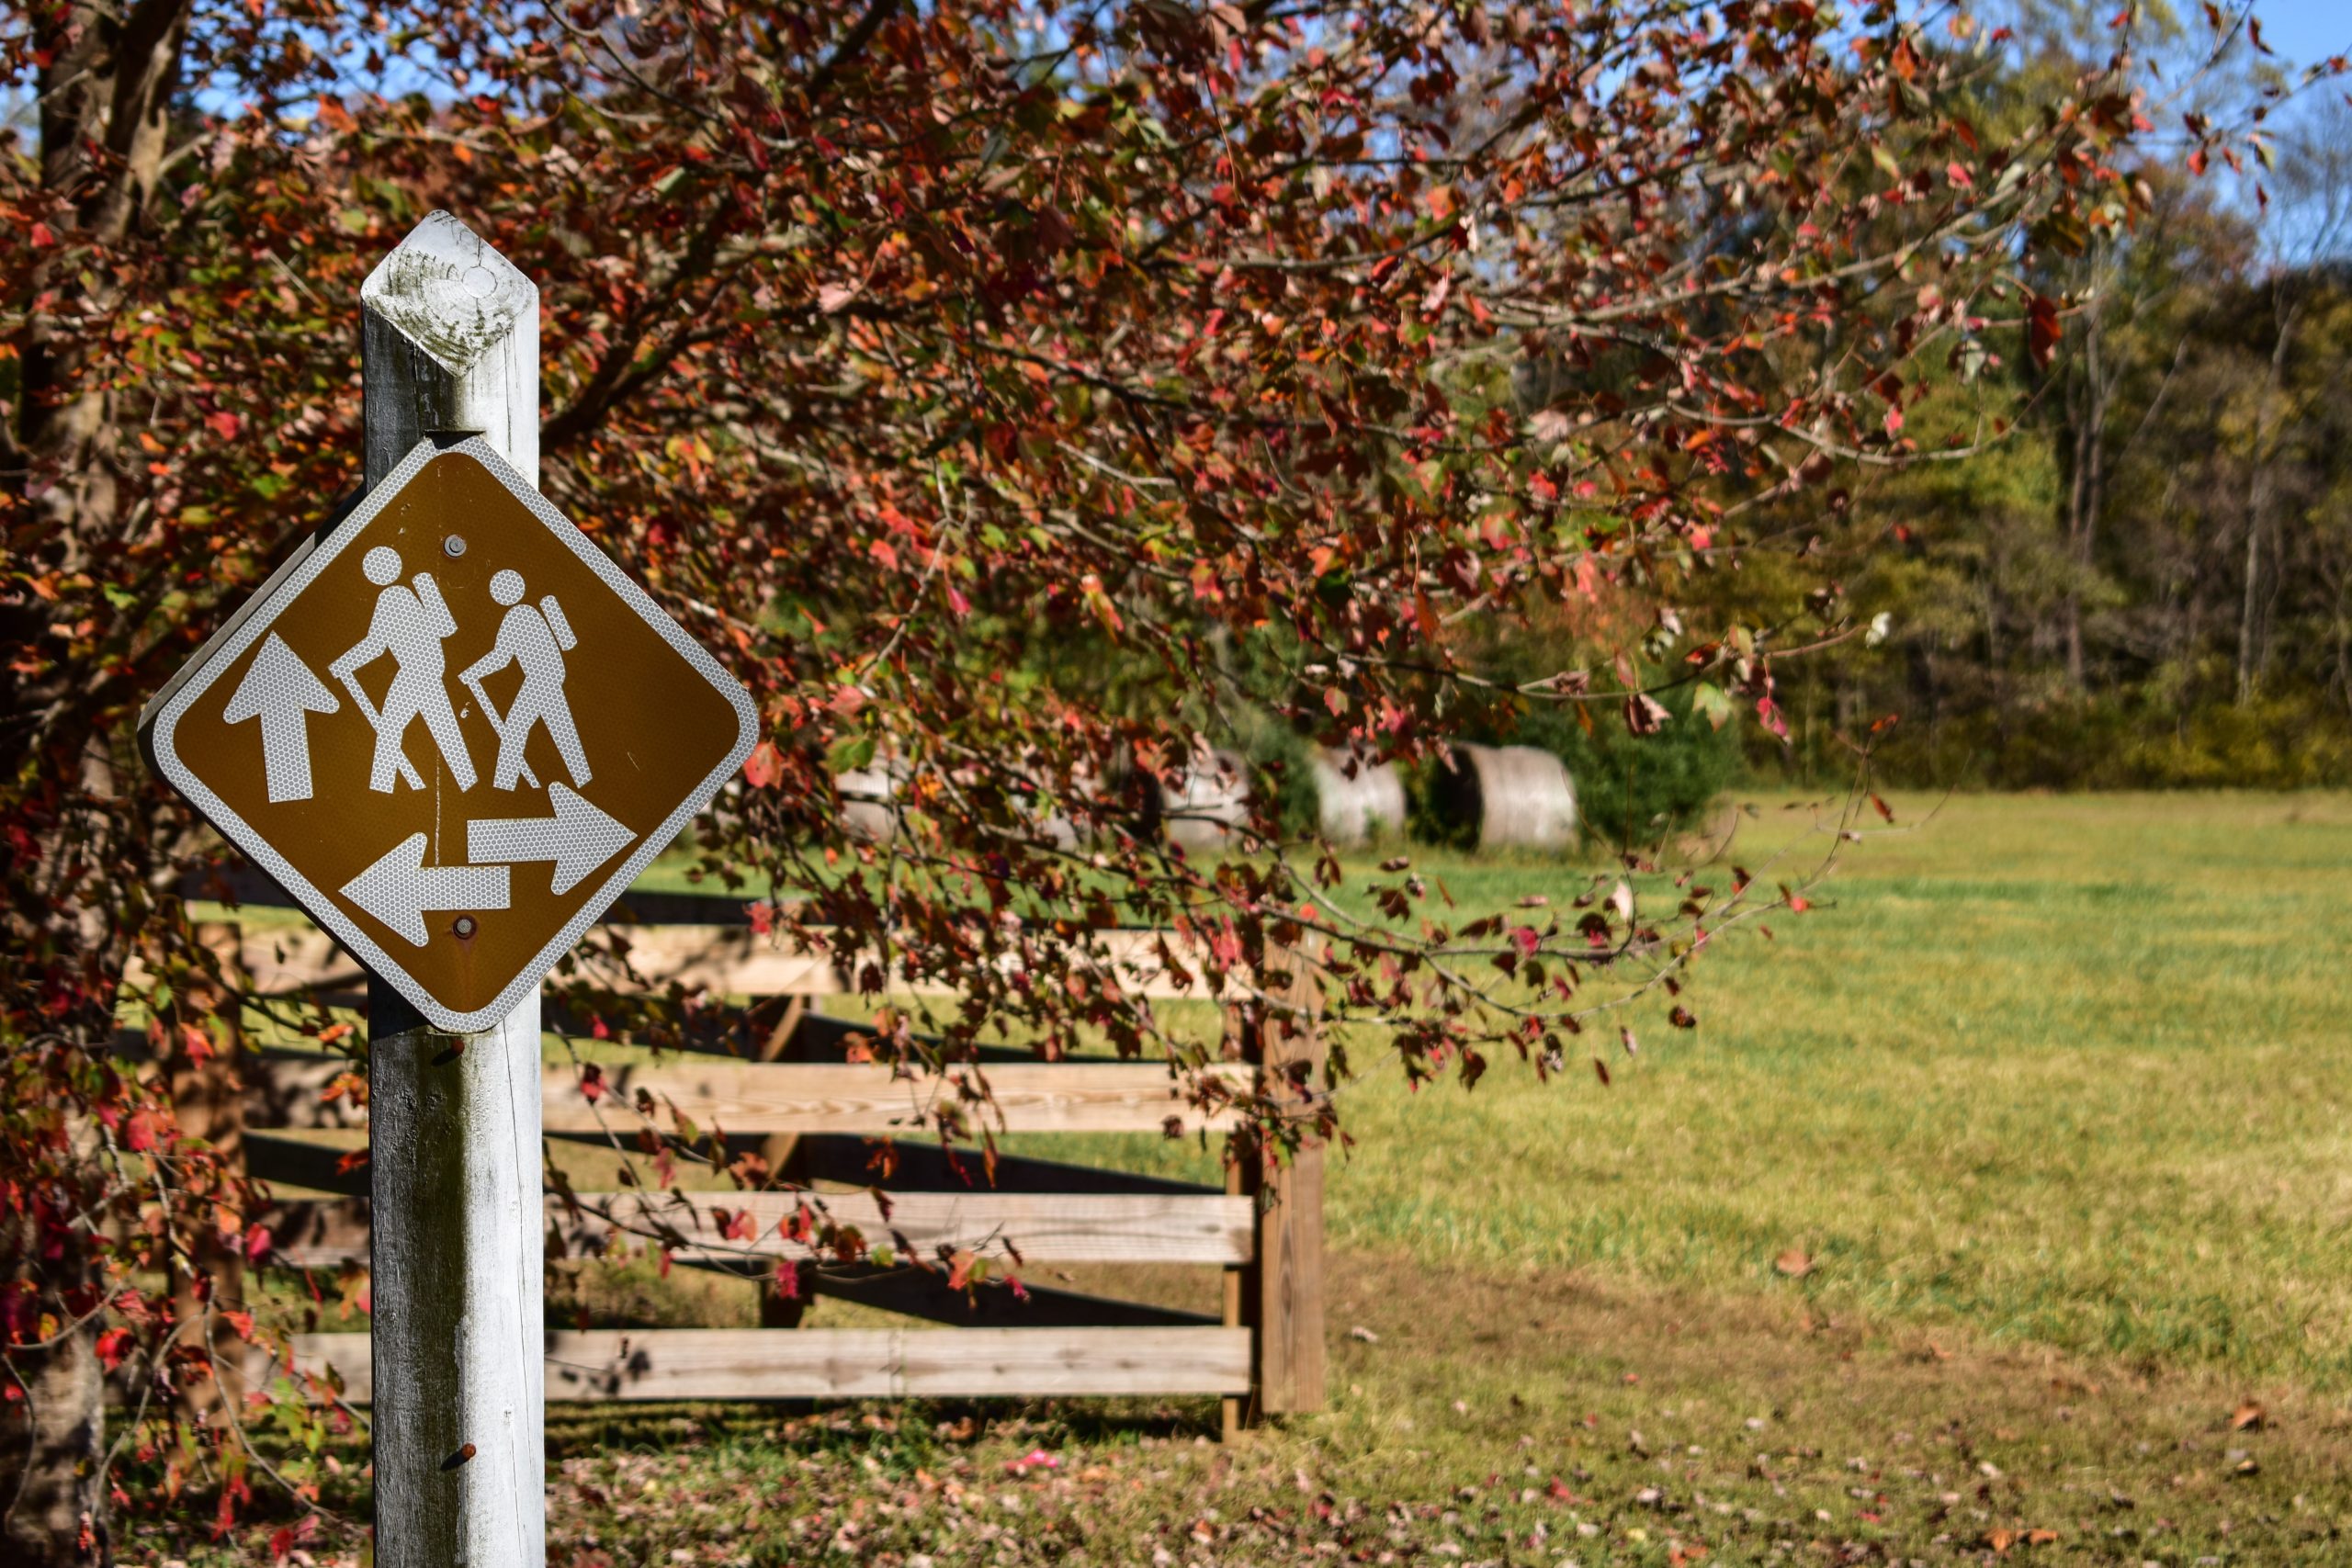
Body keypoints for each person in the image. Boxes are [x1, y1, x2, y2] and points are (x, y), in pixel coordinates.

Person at [330, 546, 476, 793]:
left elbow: (376, 645)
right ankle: (467, 782)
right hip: (429, 669)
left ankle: (381, 789)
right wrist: (344, 663)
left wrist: (343, 663)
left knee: (391, 727)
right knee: (443, 727)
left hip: (416, 672)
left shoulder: (391, 598)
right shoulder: (407, 594)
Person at [459, 568, 590, 792]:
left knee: (516, 727)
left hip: (541, 679)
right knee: (560, 728)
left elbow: (501, 658)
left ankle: (503, 787)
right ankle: (583, 778)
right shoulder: (530, 612)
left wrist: (472, 672)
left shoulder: (517, 617)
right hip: (551, 675)